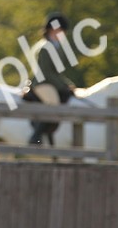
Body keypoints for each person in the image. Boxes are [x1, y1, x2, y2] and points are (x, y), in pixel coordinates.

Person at [23, 12, 80, 144]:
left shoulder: (57, 47)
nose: (63, 34)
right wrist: (62, 86)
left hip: (51, 82)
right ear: (52, 30)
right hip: (42, 83)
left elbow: (57, 73)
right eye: (60, 31)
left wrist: (68, 84)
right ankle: (35, 136)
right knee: (53, 103)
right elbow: (47, 73)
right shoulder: (44, 47)